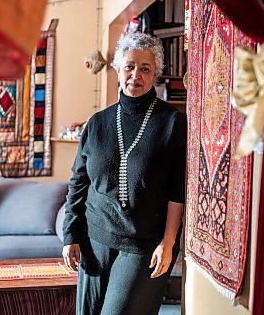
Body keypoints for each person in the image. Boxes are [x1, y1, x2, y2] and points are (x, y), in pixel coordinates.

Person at [62, 32, 187, 315]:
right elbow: (79, 183)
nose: (136, 75)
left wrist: (169, 244)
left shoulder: (172, 123)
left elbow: (177, 190)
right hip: (94, 239)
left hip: (142, 244)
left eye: (145, 68)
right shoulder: (97, 123)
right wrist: (71, 235)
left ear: (156, 74)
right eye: (129, 66)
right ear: (118, 69)